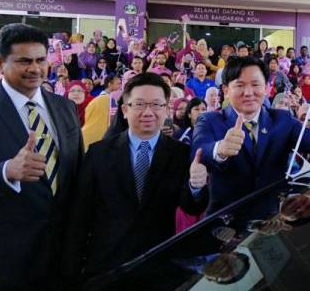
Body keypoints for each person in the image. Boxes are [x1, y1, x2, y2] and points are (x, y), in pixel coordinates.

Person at [0, 23, 83, 291]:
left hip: (61, 262)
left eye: (41, 60)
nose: (35, 68)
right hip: (1, 266)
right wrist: (7, 171)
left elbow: (76, 174)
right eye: (24, 61)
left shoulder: (65, 107)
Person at [63, 73, 209, 279]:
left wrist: (196, 186)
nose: (148, 112)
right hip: (107, 268)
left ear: (166, 109)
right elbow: (79, 216)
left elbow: (191, 206)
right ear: (124, 110)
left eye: (157, 105)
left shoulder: (181, 154)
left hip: (160, 268)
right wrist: (71, 273)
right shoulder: (98, 153)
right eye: (139, 104)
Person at [191, 56, 310, 217]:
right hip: (224, 224)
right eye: (240, 85)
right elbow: (200, 150)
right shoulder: (210, 120)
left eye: (255, 84)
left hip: (271, 223)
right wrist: (220, 149)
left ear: (266, 88)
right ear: (225, 90)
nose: (249, 92)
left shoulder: (282, 119)